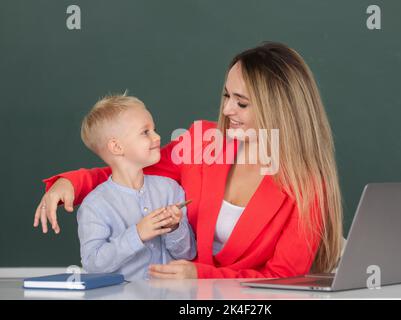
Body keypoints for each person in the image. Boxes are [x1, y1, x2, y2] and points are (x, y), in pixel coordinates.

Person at [34, 42, 343, 279]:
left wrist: (203, 275)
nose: (226, 111)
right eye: (226, 96)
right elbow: (130, 168)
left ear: (279, 109)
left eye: (242, 103)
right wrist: (72, 182)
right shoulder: (203, 142)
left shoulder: (308, 188)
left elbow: (281, 278)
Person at [74, 94, 196, 281]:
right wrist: (137, 234)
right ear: (116, 147)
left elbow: (188, 254)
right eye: (145, 132)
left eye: (154, 129)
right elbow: (93, 264)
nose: (157, 137)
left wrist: (175, 228)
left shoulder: (170, 190)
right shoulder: (95, 205)